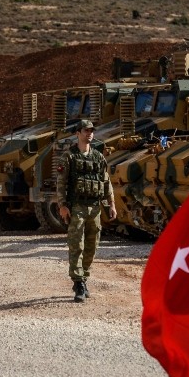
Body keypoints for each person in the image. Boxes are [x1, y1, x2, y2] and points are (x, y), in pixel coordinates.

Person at [56, 119, 117, 303]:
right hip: (77, 207)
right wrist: (62, 206)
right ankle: (78, 282)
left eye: (91, 130)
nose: (89, 133)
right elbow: (61, 183)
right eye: (86, 130)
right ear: (78, 133)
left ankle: (84, 277)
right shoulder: (69, 157)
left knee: (92, 245)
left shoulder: (98, 157)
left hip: (95, 207)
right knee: (77, 245)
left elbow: (106, 182)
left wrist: (112, 204)